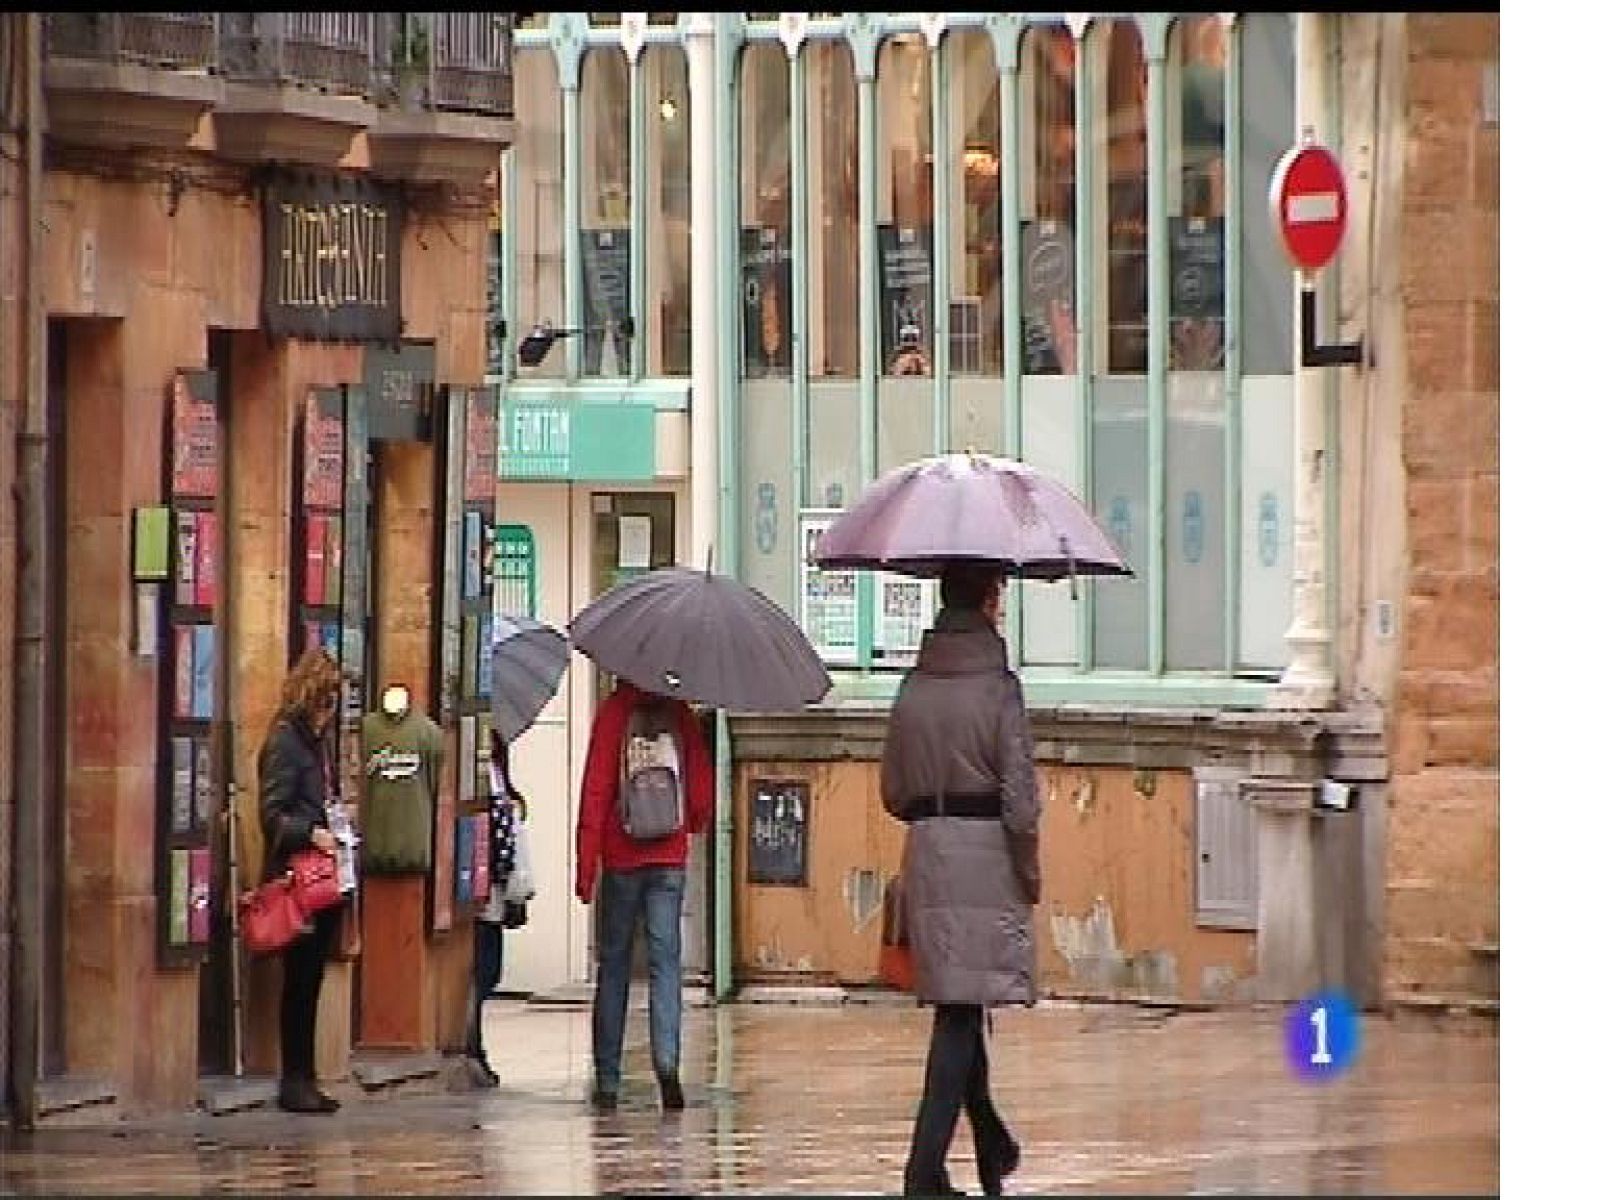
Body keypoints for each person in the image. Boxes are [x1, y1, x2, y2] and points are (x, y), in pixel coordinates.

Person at [881, 562, 1040, 1196]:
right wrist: (1027, 872)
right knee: (959, 1013)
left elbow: (893, 790)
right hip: (986, 859)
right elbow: (1021, 804)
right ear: (990, 597)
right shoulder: (1001, 689)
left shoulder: (913, 686)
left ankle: (991, 1139)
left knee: (960, 1005)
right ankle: (924, 1170)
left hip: (929, 853)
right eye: (1000, 593)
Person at [576, 676, 713, 1113]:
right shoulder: (679, 714)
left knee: (613, 965)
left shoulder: (614, 714)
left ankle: (609, 1078)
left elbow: (595, 791)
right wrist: (693, 823)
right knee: (665, 963)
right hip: (668, 856)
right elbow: (702, 794)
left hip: (621, 857)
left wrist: (585, 867)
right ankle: (667, 1061)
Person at [258, 646, 347, 1114]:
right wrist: (310, 831)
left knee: (312, 978)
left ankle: (306, 1075)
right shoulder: (286, 742)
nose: (328, 713)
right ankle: (294, 1078)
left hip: (324, 878)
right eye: (325, 702)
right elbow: (272, 815)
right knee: (298, 980)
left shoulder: (317, 743)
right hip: (298, 879)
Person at [467, 727, 533, 1087]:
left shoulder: (499, 779)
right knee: (481, 969)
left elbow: (512, 838)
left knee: (491, 971)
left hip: (497, 886)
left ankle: (475, 1043)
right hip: (480, 886)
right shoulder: (479, 779)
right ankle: (472, 1045)